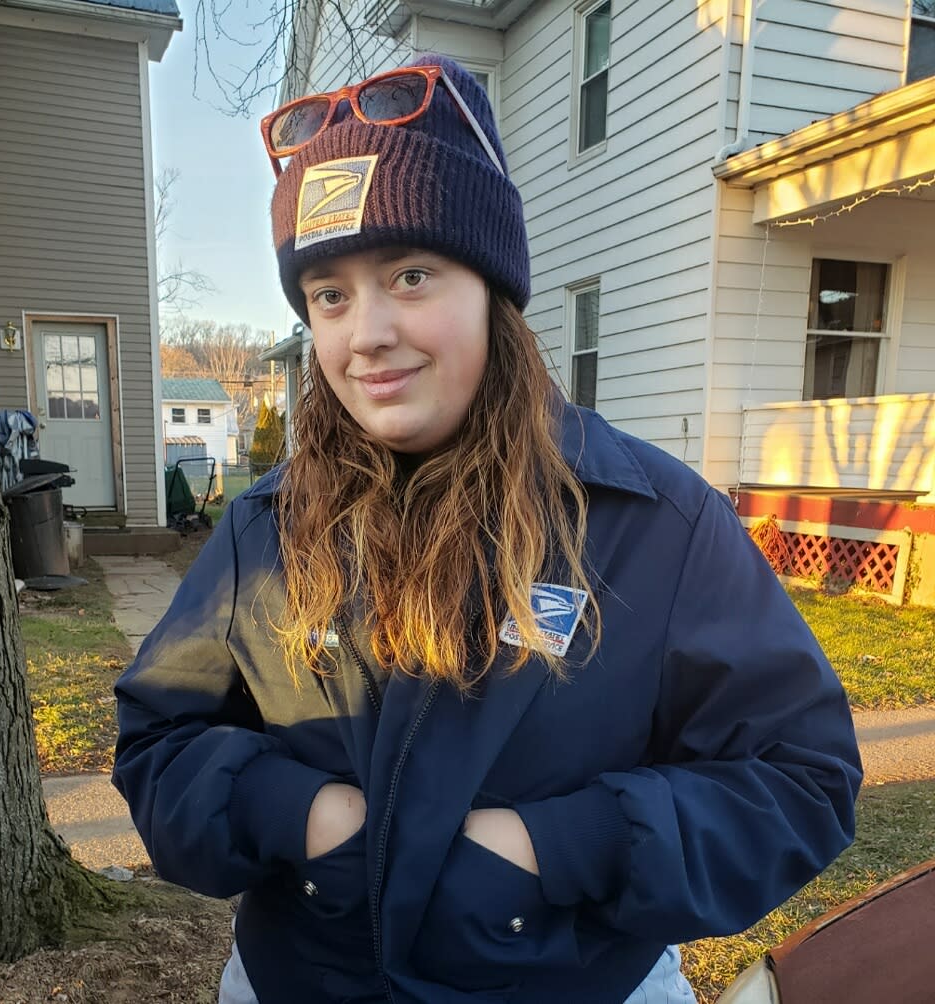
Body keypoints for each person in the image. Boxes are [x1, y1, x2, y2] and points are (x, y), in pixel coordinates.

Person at [112, 54, 862, 1004]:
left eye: (412, 275)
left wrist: (555, 849)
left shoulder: (652, 524)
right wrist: (301, 817)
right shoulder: (268, 526)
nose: (366, 332)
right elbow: (158, 741)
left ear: (494, 292)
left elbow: (800, 780)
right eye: (330, 294)